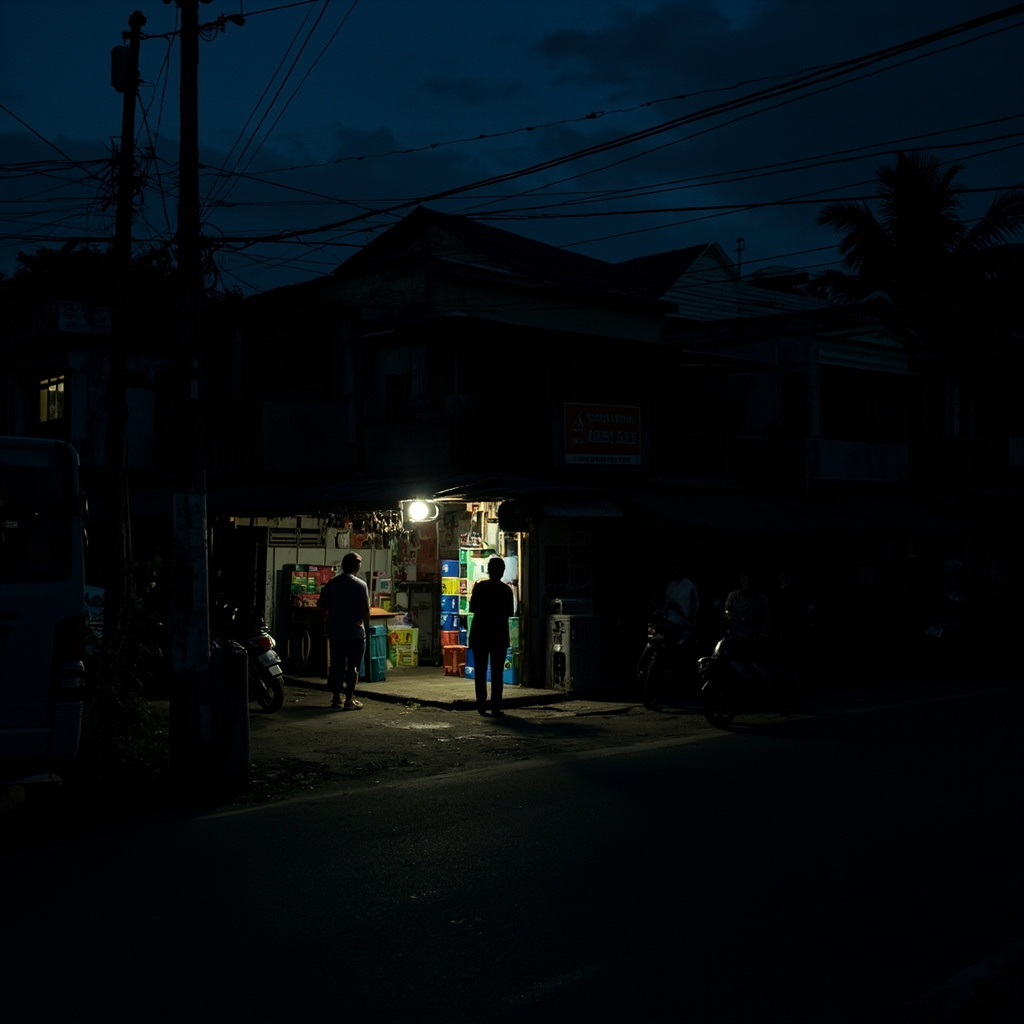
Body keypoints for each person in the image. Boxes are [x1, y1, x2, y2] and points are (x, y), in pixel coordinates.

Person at [317, 551, 371, 710]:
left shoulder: (332, 583)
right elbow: (365, 611)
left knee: (336, 665)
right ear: (357, 566)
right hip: (355, 633)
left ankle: (336, 699)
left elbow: (322, 606)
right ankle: (349, 700)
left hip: (337, 632)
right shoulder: (361, 585)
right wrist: (364, 627)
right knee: (353, 667)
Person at [468, 556, 515, 716]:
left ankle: (481, 705)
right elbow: (510, 612)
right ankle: (495, 706)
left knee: (480, 672)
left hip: (480, 634)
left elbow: (472, 608)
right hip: (498, 635)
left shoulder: (480, 587)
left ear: (488, 571)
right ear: (502, 572)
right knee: (497, 672)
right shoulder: (506, 590)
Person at [662, 564, 699, 640]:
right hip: (669, 622)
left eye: (677, 567)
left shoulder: (690, 586)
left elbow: (695, 607)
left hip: (683, 625)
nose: (675, 570)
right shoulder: (671, 586)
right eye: (673, 568)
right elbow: (665, 606)